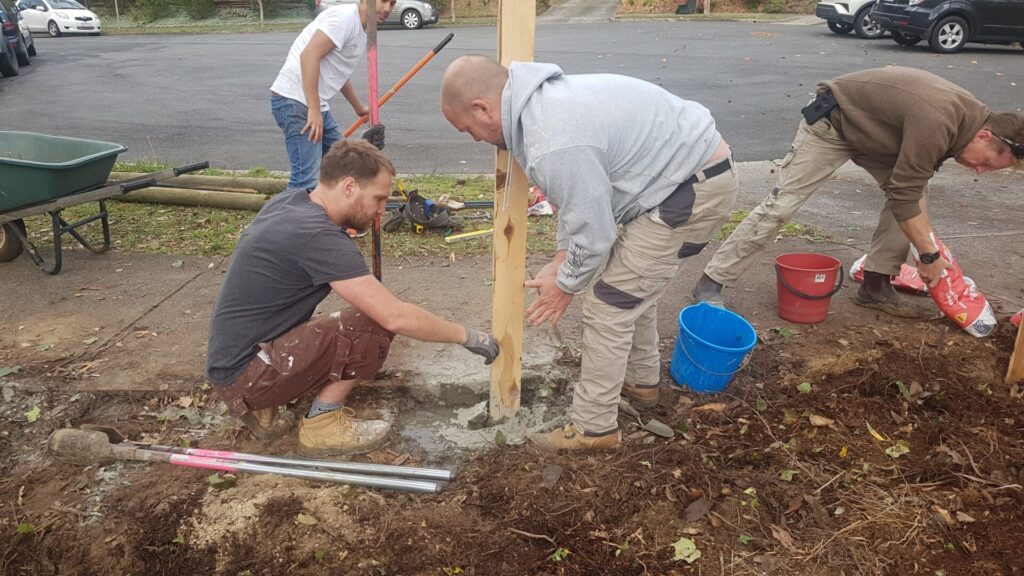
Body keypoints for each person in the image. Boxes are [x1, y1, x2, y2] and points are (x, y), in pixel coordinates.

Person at [440, 55, 739, 451]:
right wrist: (561, 259)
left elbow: (595, 235)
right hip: (680, 178)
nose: (475, 139)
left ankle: (594, 430)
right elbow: (580, 203)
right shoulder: (542, 107)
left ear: (482, 109)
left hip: (689, 189)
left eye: (468, 129)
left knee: (610, 305)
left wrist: (565, 286)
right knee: (632, 288)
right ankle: (641, 383)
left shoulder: (552, 140)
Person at [205, 139, 499, 456]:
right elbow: (395, 316)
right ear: (349, 186)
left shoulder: (291, 203)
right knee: (371, 323)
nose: (382, 210)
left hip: (233, 365)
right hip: (247, 377)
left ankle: (263, 409)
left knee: (354, 320)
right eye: (378, 199)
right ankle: (322, 426)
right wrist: (466, 336)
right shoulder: (317, 236)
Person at [693, 67, 1024, 314]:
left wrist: (928, 250)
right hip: (833, 123)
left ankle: (876, 286)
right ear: (985, 136)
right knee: (782, 205)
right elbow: (904, 194)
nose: (980, 171)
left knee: (913, 199)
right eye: (987, 163)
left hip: (879, 136)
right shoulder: (940, 121)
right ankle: (712, 282)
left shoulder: (967, 124)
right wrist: (928, 256)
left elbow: (909, 191)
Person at [270, 0, 393, 191]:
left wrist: (358, 107)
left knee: (343, 164)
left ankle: (325, 208)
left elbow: (338, 72)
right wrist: (313, 109)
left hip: (312, 104)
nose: (387, 9)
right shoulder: (345, 19)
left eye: (392, 3)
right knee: (305, 180)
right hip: (295, 101)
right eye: (383, 1)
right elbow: (308, 56)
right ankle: (294, 210)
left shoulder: (361, 29)